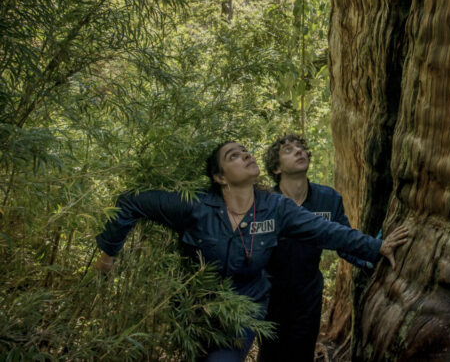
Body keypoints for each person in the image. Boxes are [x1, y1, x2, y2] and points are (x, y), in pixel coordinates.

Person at [94, 141, 409, 362]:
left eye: (246, 151)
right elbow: (130, 202)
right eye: (234, 155)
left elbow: (327, 231)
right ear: (219, 177)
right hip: (196, 309)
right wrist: (107, 256)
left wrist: (376, 247)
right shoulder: (194, 206)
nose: (245, 155)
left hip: (246, 306)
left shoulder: (276, 207)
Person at [257, 134, 369, 361]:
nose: (299, 151)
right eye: (288, 150)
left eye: (301, 148)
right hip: (270, 296)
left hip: (308, 295)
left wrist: (372, 258)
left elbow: (344, 242)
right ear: (276, 168)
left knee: (302, 354)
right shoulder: (263, 203)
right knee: (270, 355)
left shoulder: (328, 198)